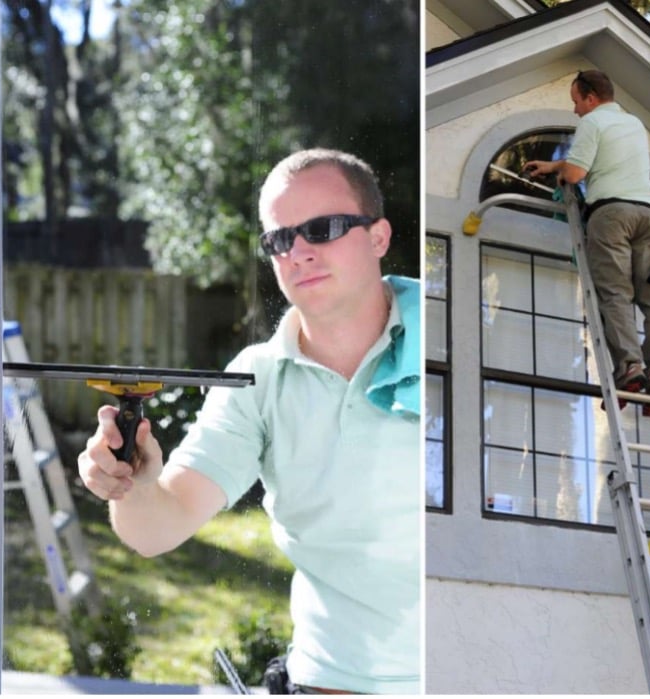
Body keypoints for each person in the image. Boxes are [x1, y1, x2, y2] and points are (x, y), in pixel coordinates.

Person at [78, 148, 421, 694]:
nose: (299, 252)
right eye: (281, 239)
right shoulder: (257, 379)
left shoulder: (449, 337)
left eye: (324, 228)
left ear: (378, 237)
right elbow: (155, 530)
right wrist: (134, 485)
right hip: (330, 684)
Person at [523, 69, 650, 416]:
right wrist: (554, 163)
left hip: (612, 216)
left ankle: (630, 367)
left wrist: (561, 173)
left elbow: (576, 174)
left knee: (615, 292)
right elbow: (602, 157)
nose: (575, 110)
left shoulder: (591, 124)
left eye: (576, 102)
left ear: (590, 98)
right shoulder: (633, 123)